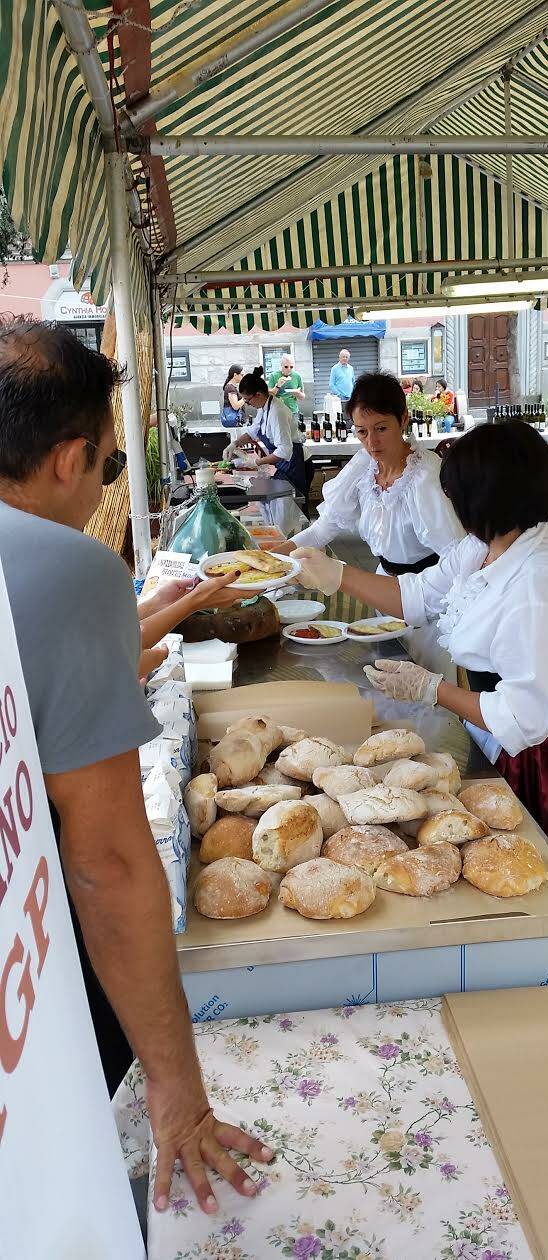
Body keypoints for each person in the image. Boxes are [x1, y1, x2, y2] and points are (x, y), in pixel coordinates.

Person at [0, 318, 274, 1212]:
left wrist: (157, 612)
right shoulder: (68, 567)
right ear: (72, 458)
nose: (106, 485)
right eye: (114, 466)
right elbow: (106, 860)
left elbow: (33, 686)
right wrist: (177, 1093)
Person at [292, 421, 548, 981]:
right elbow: (417, 594)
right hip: (502, 731)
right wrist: (336, 574)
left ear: (484, 498)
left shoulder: (538, 583)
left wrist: (433, 689)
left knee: (540, 896)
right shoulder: (489, 544)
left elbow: (523, 718)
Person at [285, 373, 464, 675]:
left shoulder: (424, 480)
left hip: (431, 601)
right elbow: (323, 527)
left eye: (381, 429)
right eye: (362, 432)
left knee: (427, 687)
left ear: (403, 419)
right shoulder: (364, 467)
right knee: (391, 671)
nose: (372, 442)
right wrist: (275, 557)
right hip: (385, 590)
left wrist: (422, 602)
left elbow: (457, 558)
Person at [226, 365, 306, 494]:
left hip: (295, 465)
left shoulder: (277, 411)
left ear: (258, 394)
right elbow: (252, 432)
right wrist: (234, 444)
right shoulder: (263, 408)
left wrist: (256, 462)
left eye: (247, 400)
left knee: (294, 508)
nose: (247, 403)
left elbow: (284, 451)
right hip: (283, 464)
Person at [267, 353, 305, 423]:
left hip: (293, 411)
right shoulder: (273, 376)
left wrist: (297, 393)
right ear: (281, 365)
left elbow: (302, 397)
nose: (289, 369)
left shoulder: (297, 376)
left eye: (291, 367)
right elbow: (269, 395)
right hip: (277, 411)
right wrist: (277, 386)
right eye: (286, 367)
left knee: (293, 433)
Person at [220, 364, 244, 428]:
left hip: (233, 421)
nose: (243, 377)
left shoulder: (231, 387)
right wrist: (245, 398)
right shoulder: (230, 388)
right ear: (235, 375)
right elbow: (235, 406)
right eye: (241, 375)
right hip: (232, 420)